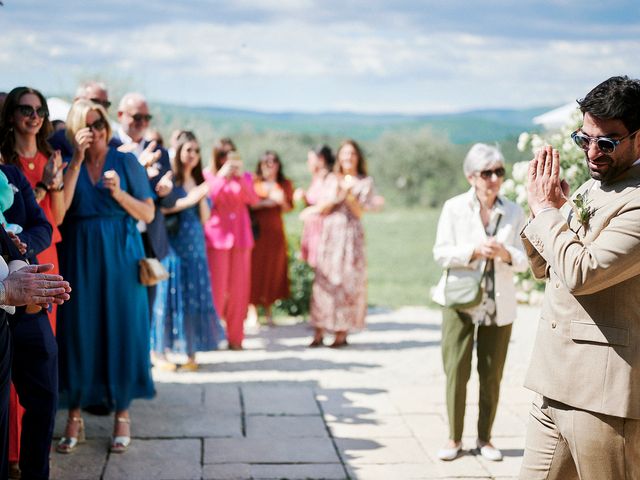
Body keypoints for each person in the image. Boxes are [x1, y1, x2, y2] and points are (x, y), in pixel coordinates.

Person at [519, 76, 640, 479]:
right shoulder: (592, 187)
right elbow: (545, 267)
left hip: (603, 399)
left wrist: (546, 211)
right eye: (583, 139)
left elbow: (581, 272)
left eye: (606, 142)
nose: (592, 152)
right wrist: (549, 206)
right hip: (553, 383)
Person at [56, 99, 155, 455]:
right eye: (87, 125)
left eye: (99, 124)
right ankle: (75, 416)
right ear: (74, 130)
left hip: (122, 256)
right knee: (80, 331)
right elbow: (61, 213)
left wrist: (118, 193)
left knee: (123, 330)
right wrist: (77, 161)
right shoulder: (68, 164)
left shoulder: (126, 161)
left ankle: (122, 415)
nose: (95, 131)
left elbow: (148, 210)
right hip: (79, 256)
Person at [431, 143, 528, 462]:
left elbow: (526, 260)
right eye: (487, 173)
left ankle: (486, 438)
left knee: (492, 374)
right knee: (457, 371)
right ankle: (454, 437)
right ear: (471, 176)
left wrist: (504, 253)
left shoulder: (514, 210)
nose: (495, 178)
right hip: (459, 300)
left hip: (498, 303)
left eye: (499, 171)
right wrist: (473, 250)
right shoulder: (454, 208)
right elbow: (441, 253)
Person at [0, 86, 66, 479]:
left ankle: (35, 472)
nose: (34, 115)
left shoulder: (9, 176)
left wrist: (18, 246)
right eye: (25, 110)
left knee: (43, 397)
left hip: (26, 300)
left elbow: (44, 224)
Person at [153, 131, 224, 371]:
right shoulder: (170, 179)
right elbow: (161, 209)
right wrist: (191, 198)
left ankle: (191, 352)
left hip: (196, 246)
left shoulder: (200, 182)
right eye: (188, 150)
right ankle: (159, 352)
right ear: (180, 152)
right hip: (173, 245)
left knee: (195, 297)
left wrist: (201, 195)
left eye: (196, 151)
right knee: (168, 295)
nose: (192, 155)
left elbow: (205, 218)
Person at [0, 256, 70, 480]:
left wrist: (20, 264)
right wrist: (5, 290)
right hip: (8, 302)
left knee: (45, 397)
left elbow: (41, 228)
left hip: (25, 311)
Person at [113, 92, 178, 322]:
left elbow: (169, 202)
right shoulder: (110, 147)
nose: (142, 122)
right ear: (120, 115)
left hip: (149, 238)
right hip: (118, 237)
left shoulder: (159, 151)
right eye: (136, 116)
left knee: (146, 307)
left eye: (146, 117)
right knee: (119, 302)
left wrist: (167, 192)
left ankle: (143, 356)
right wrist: (139, 172)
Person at [307, 140, 377, 348]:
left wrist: (347, 194)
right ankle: (319, 330)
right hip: (330, 233)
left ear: (358, 158)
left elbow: (359, 212)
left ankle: (341, 332)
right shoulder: (331, 179)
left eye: (352, 154)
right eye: (344, 154)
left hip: (350, 235)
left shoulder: (365, 182)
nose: (348, 158)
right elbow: (323, 207)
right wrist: (336, 195)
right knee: (324, 279)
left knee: (346, 281)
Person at [204, 139, 259, 350]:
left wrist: (240, 178)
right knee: (217, 290)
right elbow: (209, 198)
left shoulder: (244, 177)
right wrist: (221, 177)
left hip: (241, 238)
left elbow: (253, 199)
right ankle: (212, 336)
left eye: (231, 154)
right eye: (223, 154)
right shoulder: (208, 175)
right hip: (217, 239)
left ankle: (236, 337)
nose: (228, 158)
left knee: (239, 291)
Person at [249, 151, 294, 325]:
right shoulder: (254, 182)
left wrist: (279, 200)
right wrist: (267, 202)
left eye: (273, 162)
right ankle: (252, 310)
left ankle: (268, 310)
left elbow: (288, 207)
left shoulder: (284, 184)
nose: (270, 166)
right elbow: (249, 204)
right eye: (266, 162)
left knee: (272, 271)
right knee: (255, 269)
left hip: (275, 233)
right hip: (257, 233)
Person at [48, 80, 119, 158]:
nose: (101, 107)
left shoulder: (115, 145)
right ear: (77, 101)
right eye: (95, 101)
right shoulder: (57, 141)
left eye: (106, 104)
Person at [297, 145, 335, 268]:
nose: (308, 162)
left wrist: (309, 211)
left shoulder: (331, 179)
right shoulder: (317, 178)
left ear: (321, 159)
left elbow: (328, 203)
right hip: (313, 230)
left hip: (324, 231)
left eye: (310, 159)